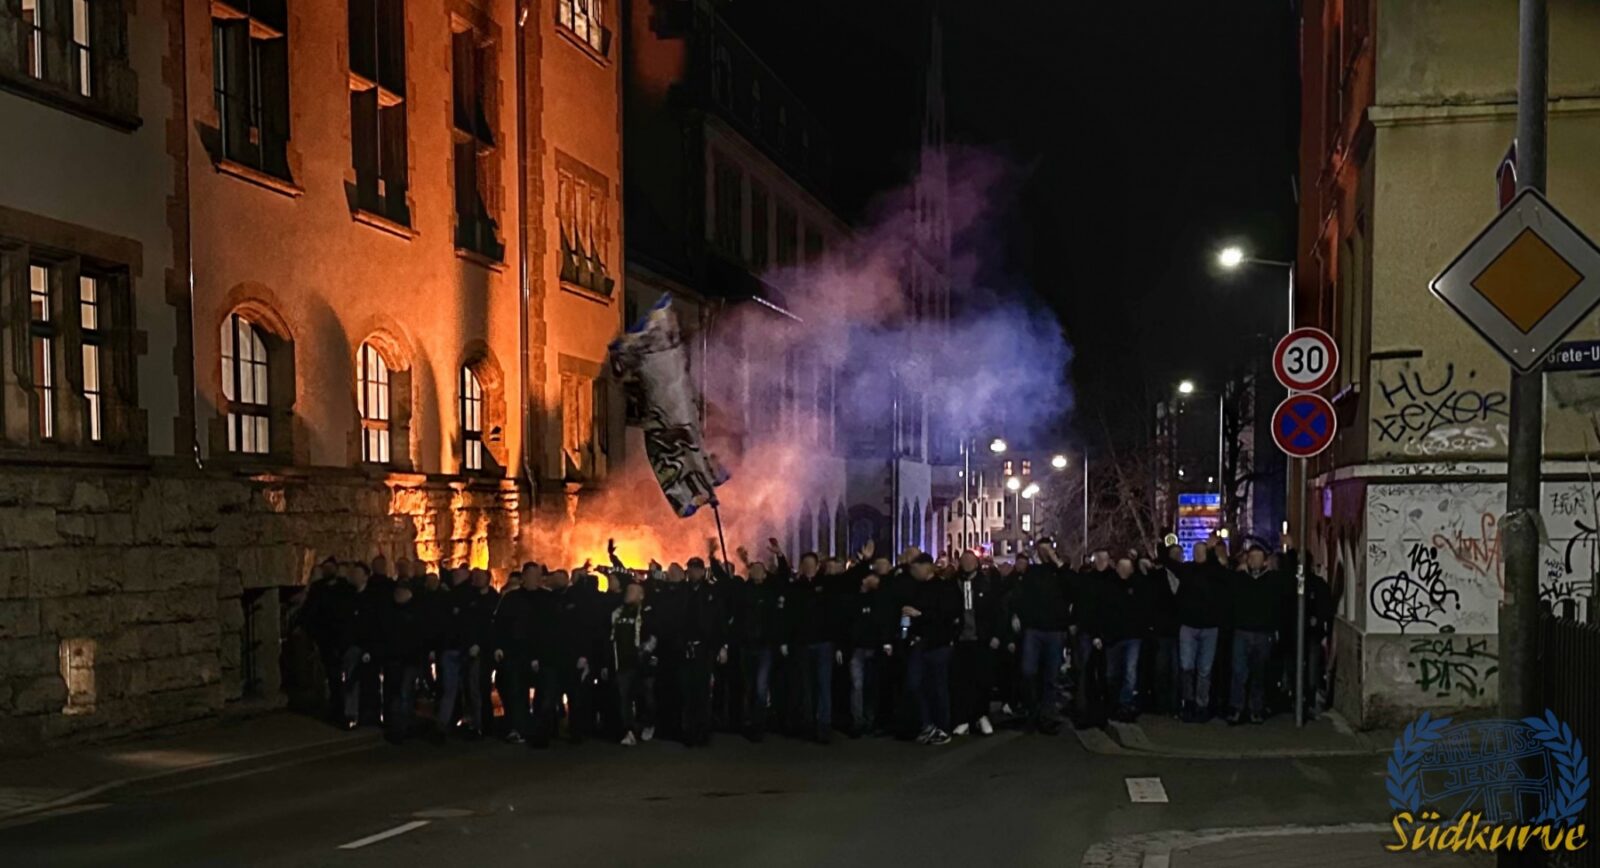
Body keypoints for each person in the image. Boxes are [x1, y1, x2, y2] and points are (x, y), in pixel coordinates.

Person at [898, 553, 960, 745]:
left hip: (938, 642)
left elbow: (947, 614)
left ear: (926, 567)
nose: (913, 573)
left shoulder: (943, 587)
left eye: (916, 569)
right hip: (920, 642)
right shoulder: (916, 588)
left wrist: (920, 614)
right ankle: (927, 724)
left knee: (937, 687)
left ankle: (941, 727)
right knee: (915, 684)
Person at [783, 543, 842, 743]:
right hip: (803, 643)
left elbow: (846, 585)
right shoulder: (796, 588)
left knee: (823, 686)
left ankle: (824, 726)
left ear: (818, 566)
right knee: (806, 687)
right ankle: (808, 725)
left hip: (824, 643)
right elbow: (789, 615)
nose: (808, 567)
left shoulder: (827, 585)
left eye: (811, 564)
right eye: (805, 563)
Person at [529, 569, 595, 747]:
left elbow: (584, 629)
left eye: (560, 578)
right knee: (548, 698)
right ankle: (545, 734)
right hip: (551, 658)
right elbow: (539, 631)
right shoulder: (546, 601)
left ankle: (576, 733)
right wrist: (536, 656)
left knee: (574, 698)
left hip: (571, 658)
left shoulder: (577, 600)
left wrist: (583, 655)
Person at [1228, 544, 1292, 725]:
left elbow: (1286, 587)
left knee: (1259, 673)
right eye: (1251, 557)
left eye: (1258, 558)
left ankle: (1256, 709)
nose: (1254, 561)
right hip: (1242, 631)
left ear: (1264, 561)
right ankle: (1237, 708)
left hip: (1263, 632)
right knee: (1239, 673)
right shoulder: (1239, 579)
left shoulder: (1272, 580)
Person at [1012, 543, 1071, 732]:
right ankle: (1033, 711)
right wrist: (1018, 615)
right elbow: (1021, 594)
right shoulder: (1032, 573)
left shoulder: (1061, 572)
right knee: (1028, 671)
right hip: (1034, 629)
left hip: (1054, 629)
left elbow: (1073, 587)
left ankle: (1047, 716)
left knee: (1051, 676)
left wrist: (1056, 561)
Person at [731, 545, 782, 740]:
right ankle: (749, 722)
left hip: (764, 646)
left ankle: (758, 725)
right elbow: (728, 584)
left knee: (761, 687)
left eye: (759, 570)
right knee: (749, 686)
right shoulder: (744, 591)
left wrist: (779, 556)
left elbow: (782, 578)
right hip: (746, 645)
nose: (756, 573)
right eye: (753, 570)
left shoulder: (770, 591)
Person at [845, 541, 894, 737]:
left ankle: (871, 720)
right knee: (857, 686)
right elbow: (850, 579)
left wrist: (886, 641)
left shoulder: (881, 598)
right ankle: (858, 722)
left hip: (875, 647)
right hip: (857, 647)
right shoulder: (853, 598)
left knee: (871, 687)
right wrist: (864, 561)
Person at [1087, 557, 1145, 722]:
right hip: (1113, 636)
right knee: (1112, 673)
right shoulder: (1108, 587)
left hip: (1132, 636)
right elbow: (1100, 611)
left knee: (1129, 672)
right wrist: (1098, 634)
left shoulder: (1137, 586)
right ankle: (1113, 703)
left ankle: (1124, 704)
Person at [950, 551, 1001, 736]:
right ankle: (964, 718)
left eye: (970, 561)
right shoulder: (955, 584)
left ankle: (981, 715)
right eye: (964, 561)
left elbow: (996, 611)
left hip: (981, 638)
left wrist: (995, 635)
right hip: (961, 638)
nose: (967, 564)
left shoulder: (986, 584)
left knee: (982, 679)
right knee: (963, 681)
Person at [678, 555, 728, 746]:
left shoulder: (711, 592)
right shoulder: (684, 591)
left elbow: (720, 620)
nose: (693, 572)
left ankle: (703, 732)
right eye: (691, 568)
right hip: (686, 647)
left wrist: (722, 646)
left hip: (704, 648)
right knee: (687, 692)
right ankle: (689, 732)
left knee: (702, 692)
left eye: (696, 568)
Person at [1174, 541, 1226, 722]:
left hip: (1209, 626)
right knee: (1187, 667)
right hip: (1189, 625)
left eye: (1201, 551)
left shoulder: (1214, 571)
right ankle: (1188, 702)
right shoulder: (1188, 570)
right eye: (1195, 551)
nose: (1197, 554)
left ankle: (1201, 704)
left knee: (1204, 669)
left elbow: (1221, 573)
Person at [376, 581, 429, 743]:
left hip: (409, 661)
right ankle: (394, 725)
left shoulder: (416, 612)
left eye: (401, 592)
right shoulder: (390, 611)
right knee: (393, 694)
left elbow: (420, 637)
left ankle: (403, 727)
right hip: (393, 659)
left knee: (404, 694)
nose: (397, 595)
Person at [492, 565, 540, 743]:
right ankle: (516, 728)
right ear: (524, 577)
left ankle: (535, 727)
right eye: (532, 575)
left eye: (538, 575)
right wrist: (498, 647)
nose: (535, 579)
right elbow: (499, 624)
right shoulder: (511, 598)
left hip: (536, 653)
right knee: (515, 692)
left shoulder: (544, 598)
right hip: (514, 652)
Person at [610, 581, 656, 746]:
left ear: (641, 595)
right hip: (623, 663)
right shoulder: (618, 613)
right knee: (624, 699)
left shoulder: (646, 613)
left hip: (641, 664)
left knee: (645, 697)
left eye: (633, 591)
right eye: (628, 590)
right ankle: (628, 731)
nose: (628, 593)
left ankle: (648, 723)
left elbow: (653, 635)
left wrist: (648, 652)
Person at [1140, 548, 1182, 716]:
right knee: (1162, 668)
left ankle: (1174, 704)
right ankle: (1162, 704)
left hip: (1179, 628)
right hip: (1163, 629)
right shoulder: (1158, 576)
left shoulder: (1184, 575)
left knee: (1177, 670)